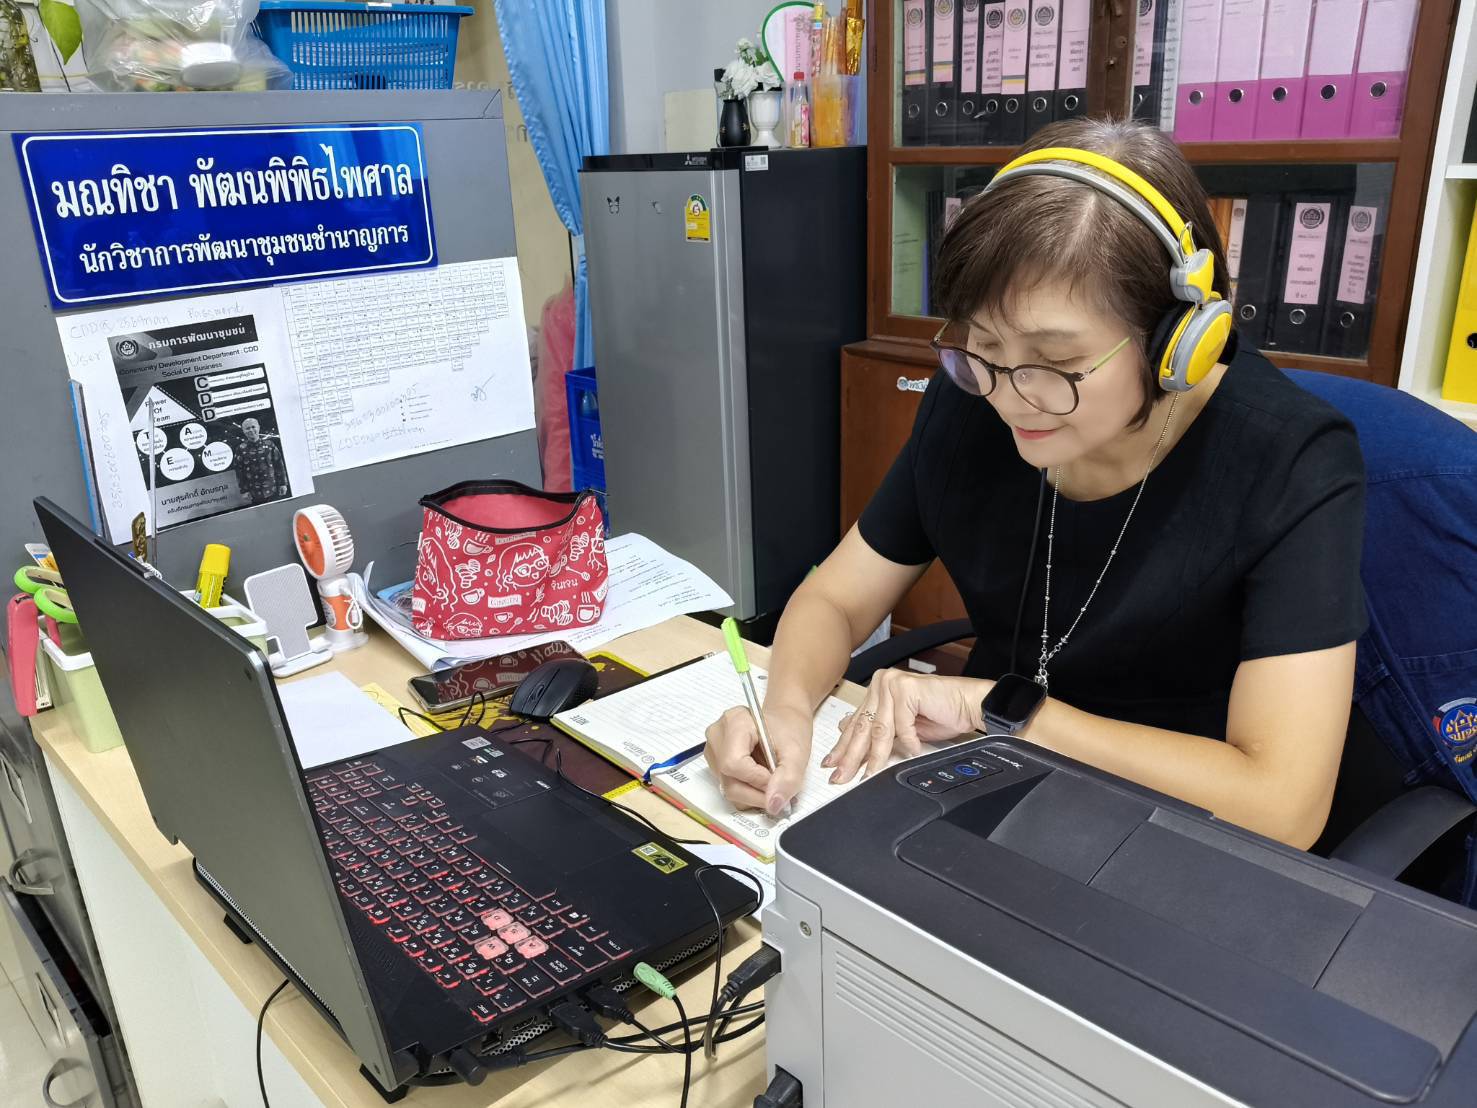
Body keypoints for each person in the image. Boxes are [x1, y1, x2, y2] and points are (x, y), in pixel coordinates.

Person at [704, 118, 1367, 850]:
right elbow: (835, 597)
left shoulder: (1291, 461)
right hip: (993, 784)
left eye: (1053, 362)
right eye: (982, 346)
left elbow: (1282, 805)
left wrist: (1006, 710)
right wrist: (786, 709)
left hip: (1180, 837)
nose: (1011, 397)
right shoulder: (971, 400)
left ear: (1175, 341)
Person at [236, 417, 288, 505]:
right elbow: (239, 471)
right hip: (255, 493)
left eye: (253, 427)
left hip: (273, 490)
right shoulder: (241, 449)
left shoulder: (270, 445)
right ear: (243, 431)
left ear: (258, 427)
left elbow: (279, 465)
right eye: (247, 428)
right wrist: (244, 490)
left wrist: (283, 483)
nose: (251, 430)